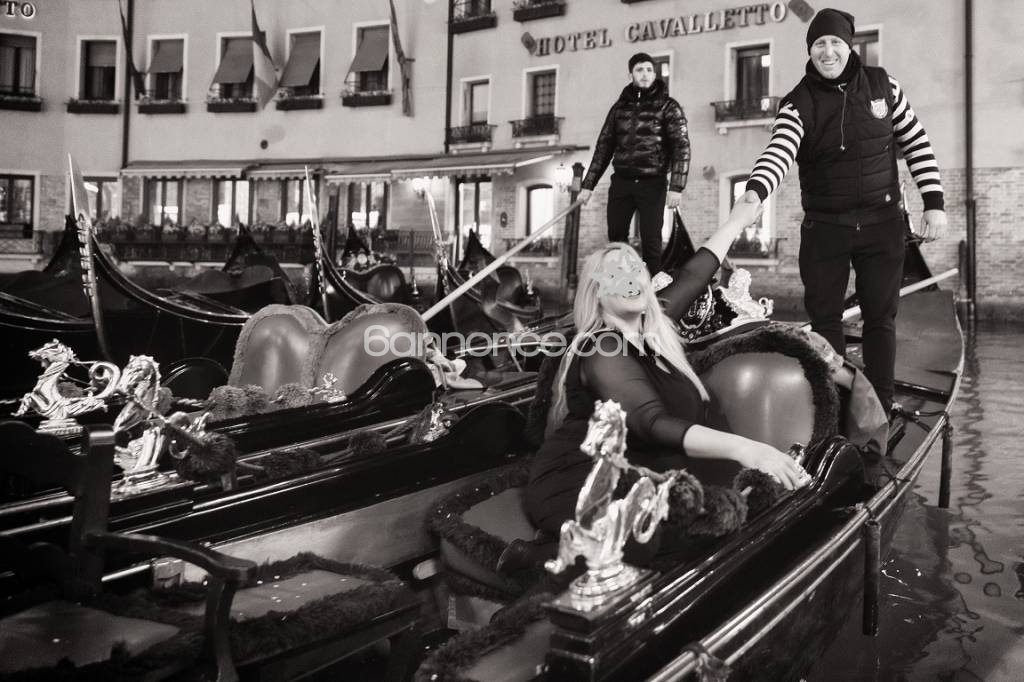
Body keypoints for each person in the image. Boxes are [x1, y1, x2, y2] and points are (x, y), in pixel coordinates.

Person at [524, 195, 807, 540]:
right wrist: (747, 448)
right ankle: (530, 556)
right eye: (616, 274)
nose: (629, 279)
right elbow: (652, 423)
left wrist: (737, 220)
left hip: (644, 484)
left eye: (635, 270)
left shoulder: (654, 333)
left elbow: (694, 274)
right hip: (580, 483)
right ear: (597, 293)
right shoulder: (602, 346)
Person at [738, 8, 947, 413]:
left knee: (880, 319)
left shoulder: (884, 87)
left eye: (835, 42)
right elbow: (778, 151)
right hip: (825, 228)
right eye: (819, 44)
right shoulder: (798, 103)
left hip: (882, 224)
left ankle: (880, 405)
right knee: (825, 322)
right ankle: (835, 407)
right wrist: (754, 192)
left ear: (849, 46)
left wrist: (934, 204)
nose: (827, 51)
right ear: (810, 50)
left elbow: (917, 143)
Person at [577, 52, 690, 276]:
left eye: (649, 70)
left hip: (653, 183)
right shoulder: (619, 108)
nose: (645, 74)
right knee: (616, 239)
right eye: (639, 70)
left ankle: (653, 289)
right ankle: (620, 285)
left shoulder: (669, 107)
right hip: (622, 182)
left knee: (651, 242)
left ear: (655, 74)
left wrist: (676, 187)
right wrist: (588, 186)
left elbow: (681, 147)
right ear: (631, 75)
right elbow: (603, 148)